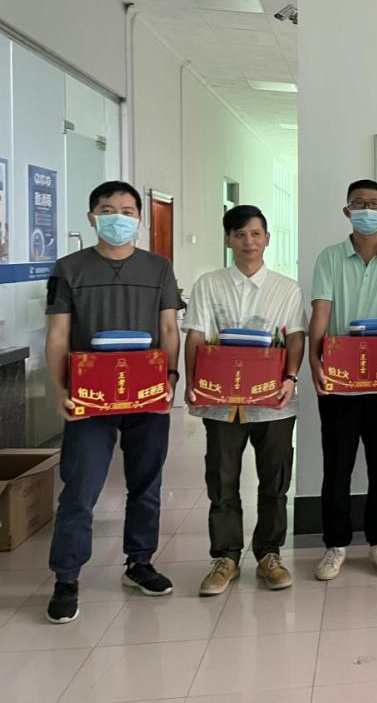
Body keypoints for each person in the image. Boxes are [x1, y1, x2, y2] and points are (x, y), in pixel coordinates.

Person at [44, 181, 181, 624]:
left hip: (146, 394)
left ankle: (139, 563)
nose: (117, 217)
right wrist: (60, 389)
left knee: (146, 483)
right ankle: (67, 578)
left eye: (127, 210)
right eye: (107, 210)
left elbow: (169, 329)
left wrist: (171, 379)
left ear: (139, 219)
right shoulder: (69, 269)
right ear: (91, 218)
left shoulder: (159, 268)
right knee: (80, 488)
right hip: (90, 399)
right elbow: (58, 334)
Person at [183, 205, 306, 594]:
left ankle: (269, 554)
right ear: (228, 240)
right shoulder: (209, 284)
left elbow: (296, 336)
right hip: (221, 402)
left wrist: (291, 378)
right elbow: (195, 335)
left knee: (275, 480)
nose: (248, 241)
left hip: (273, 401)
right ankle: (226, 558)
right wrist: (193, 382)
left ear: (267, 238)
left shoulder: (287, 288)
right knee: (222, 479)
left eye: (255, 234)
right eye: (239, 235)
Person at [308, 179, 377, 581]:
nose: (367, 210)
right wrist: (314, 359)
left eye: (374, 203)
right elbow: (321, 311)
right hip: (339, 378)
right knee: (337, 465)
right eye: (359, 203)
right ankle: (335, 544)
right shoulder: (330, 258)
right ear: (347, 211)